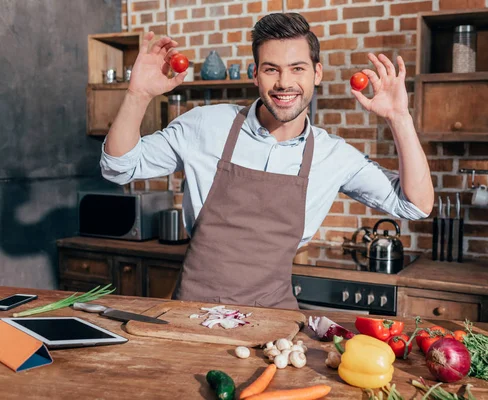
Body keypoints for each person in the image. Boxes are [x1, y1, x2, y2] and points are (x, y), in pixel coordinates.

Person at [100, 13, 434, 309]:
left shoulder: (332, 155)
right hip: (193, 314)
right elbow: (118, 167)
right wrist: (138, 95)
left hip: (274, 322)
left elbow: (416, 205)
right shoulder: (205, 125)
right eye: (272, 69)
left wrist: (399, 117)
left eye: (298, 69)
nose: (285, 83)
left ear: (317, 73)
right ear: (255, 74)